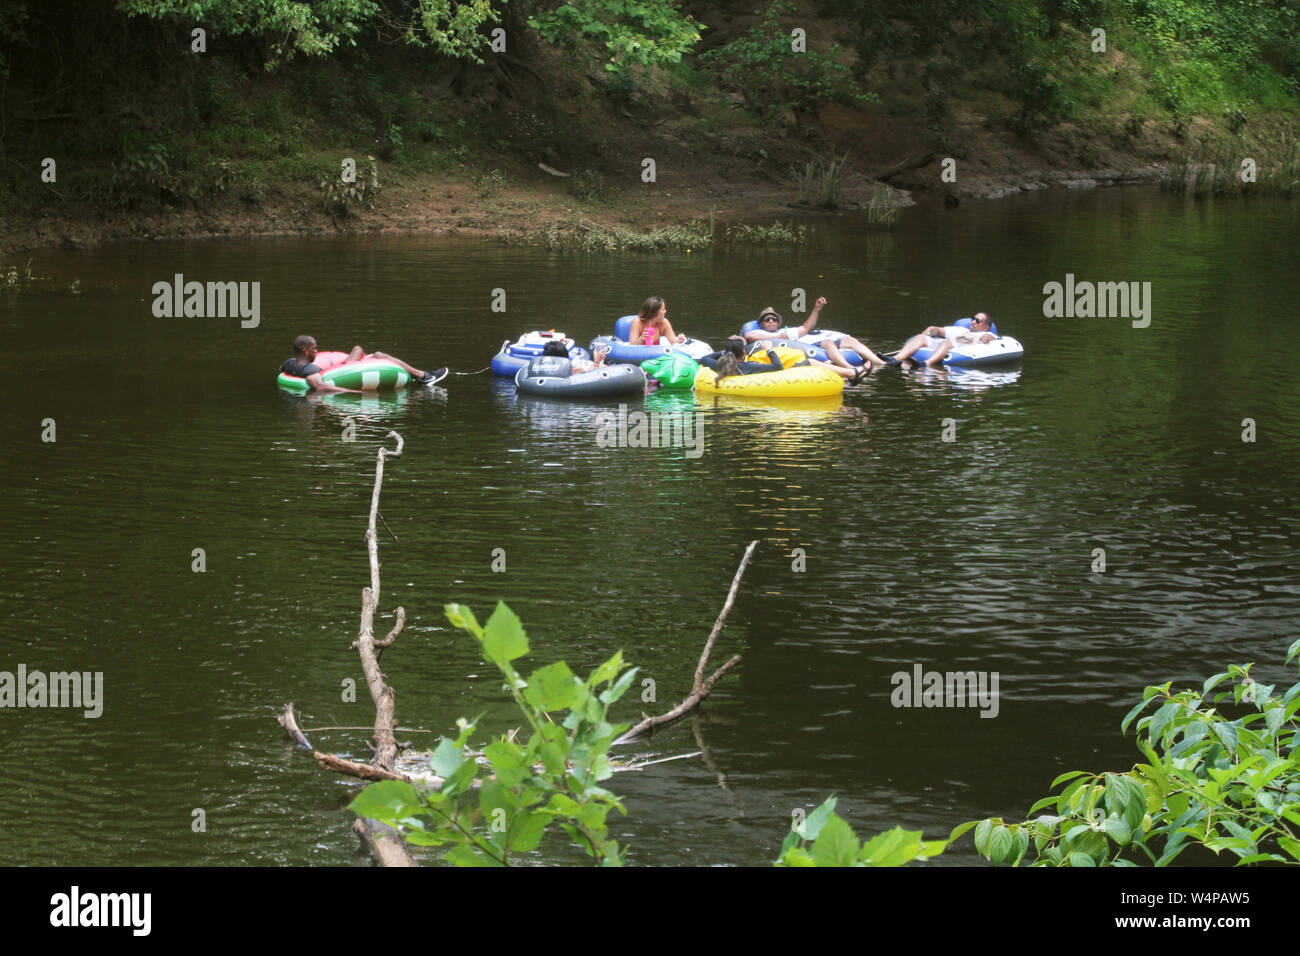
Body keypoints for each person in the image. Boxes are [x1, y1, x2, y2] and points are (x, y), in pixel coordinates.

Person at [744, 298, 892, 370]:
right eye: (767, 319)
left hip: (805, 342)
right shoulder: (757, 331)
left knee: (849, 340)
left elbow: (806, 328)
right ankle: (850, 369)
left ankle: (883, 363)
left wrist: (816, 310)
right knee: (828, 343)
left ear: (778, 322)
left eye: (774, 319)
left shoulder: (787, 331)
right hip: (806, 349)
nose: (771, 321)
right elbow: (750, 337)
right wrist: (778, 337)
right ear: (762, 322)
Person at [280, 335, 447, 392]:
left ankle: (423, 376)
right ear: (304, 350)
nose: (317, 352)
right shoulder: (309, 369)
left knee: (359, 349)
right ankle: (423, 376)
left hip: (334, 369)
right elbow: (320, 387)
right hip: (341, 373)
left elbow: (282, 372)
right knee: (380, 355)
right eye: (314, 349)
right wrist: (353, 392)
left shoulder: (288, 363)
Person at [893, 313, 997, 368]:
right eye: (973, 318)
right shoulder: (960, 330)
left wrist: (984, 338)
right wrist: (928, 335)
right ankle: (895, 359)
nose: (973, 322)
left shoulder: (986, 333)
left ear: (986, 327)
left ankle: (927, 363)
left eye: (977, 321)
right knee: (922, 337)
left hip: (959, 349)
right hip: (941, 346)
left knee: (947, 342)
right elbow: (936, 330)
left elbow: (989, 338)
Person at [540, 339, 609, 372]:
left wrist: (597, 362)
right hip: (588, 367)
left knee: (603, 366)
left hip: (586, 367)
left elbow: (591, 379)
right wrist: (597, 361)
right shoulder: (574, 369)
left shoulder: (574, 368)